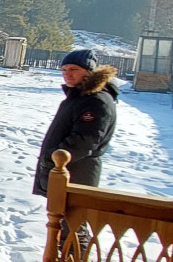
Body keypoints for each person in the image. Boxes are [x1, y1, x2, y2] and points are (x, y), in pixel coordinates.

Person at [32, 47, 119, 199]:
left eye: (74, 69)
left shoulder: (95, 101)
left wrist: (51, 159)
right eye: (64, 69)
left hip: (76, 174)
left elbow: (84, 141)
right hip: (63, 171)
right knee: (58, 212)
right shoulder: (79, 97)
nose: (67, 74)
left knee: (72, 213)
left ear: (89, 71)